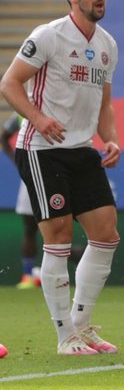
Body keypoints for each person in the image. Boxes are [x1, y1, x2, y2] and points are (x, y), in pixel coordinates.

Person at [0, 0, 121, 355]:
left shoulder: (107, 44)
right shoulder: (48, 36)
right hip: (41, 150)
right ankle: (64, 334)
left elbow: (104, 104)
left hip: (83, 150)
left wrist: (112, 139)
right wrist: (37, 118)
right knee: (59, 237)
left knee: (106, 234)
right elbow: (9, 83)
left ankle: (83, 326)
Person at [2, 113, 39, 288]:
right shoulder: (20, 113)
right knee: (30, 228)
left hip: (57, 174)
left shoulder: (57, 103)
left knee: (59, 226)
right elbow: (4, 138)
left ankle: (50, 273)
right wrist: (20, 162)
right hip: (31, 176)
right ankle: (28, 275)